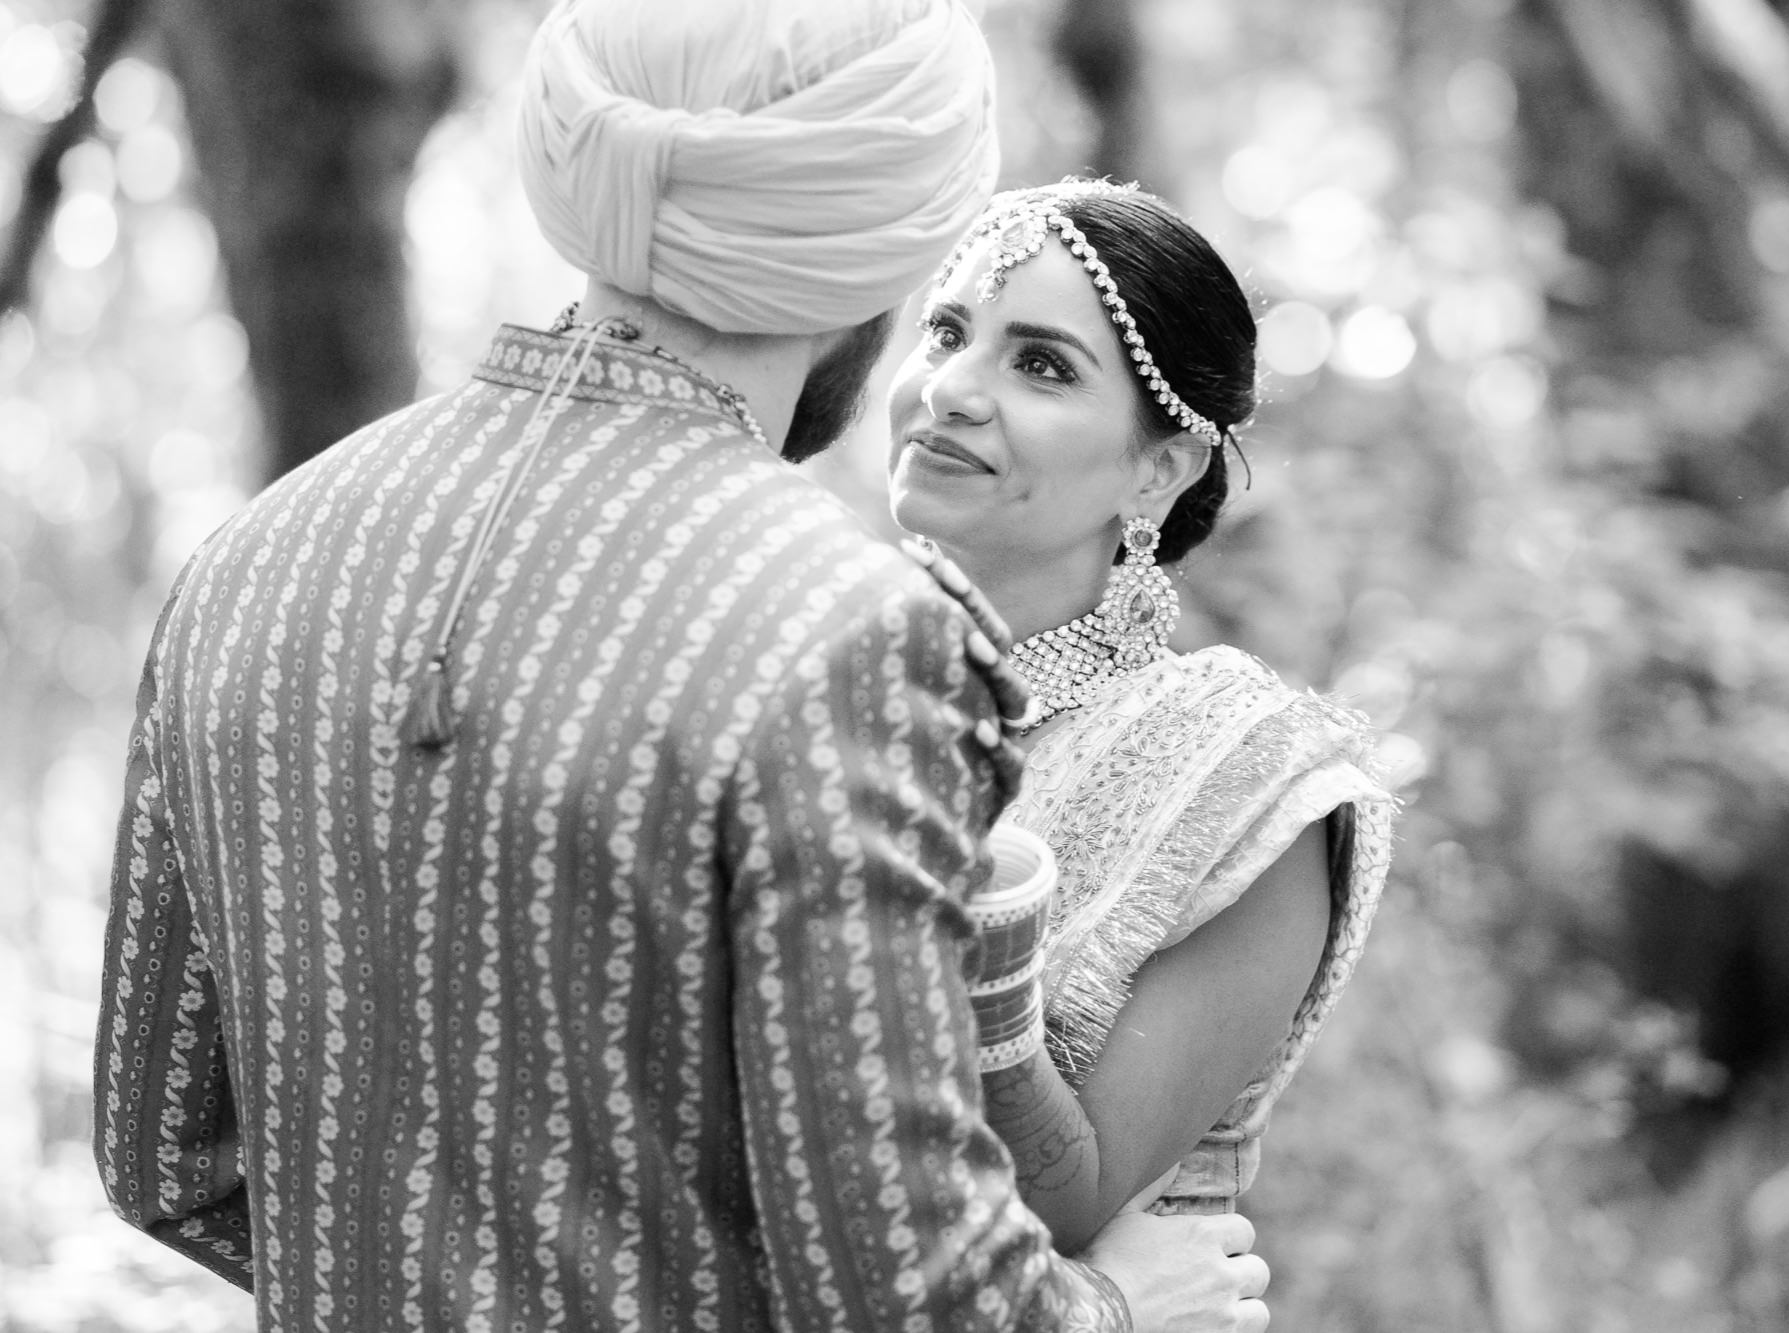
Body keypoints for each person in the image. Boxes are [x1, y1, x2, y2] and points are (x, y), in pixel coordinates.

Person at [91, 4, 1273, 1330]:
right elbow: (913, 1293)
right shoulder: (850, 636)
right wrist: (1117, 1305)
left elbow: (168, 1168)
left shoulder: (250, 559)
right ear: (883, 248)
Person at [886, 179, 1395, 1252]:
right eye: (945, 331)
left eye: (1039, 365)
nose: (949, 389)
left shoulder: (1247, 775)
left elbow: (1063, 1198)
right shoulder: (806, 670)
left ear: (1160, 468)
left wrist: (957, 891)